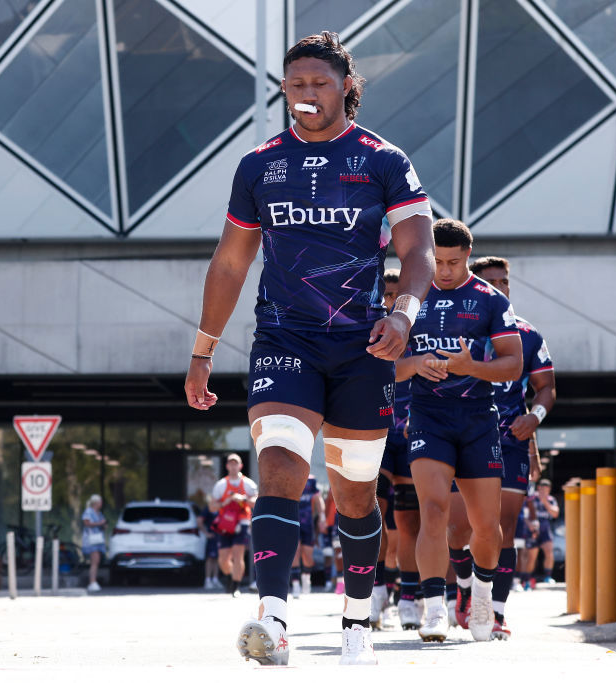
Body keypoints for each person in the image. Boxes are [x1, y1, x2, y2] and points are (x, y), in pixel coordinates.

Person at [184, 30, 435, 666]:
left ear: (347, 88)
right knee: (279, 468)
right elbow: (231, 262)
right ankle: (273, 620)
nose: (305, 95)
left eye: (319, 84)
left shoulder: (384, 160)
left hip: (364, 347)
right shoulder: (258, 164)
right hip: (284, 339)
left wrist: (404, 316)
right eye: (295, 85)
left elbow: (417, 251)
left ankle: (356, 622)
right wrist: (202, 349)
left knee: (354, 494)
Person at [397, 218, 522, 643]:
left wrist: (472, 368)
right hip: (428, 416)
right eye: (438, 262)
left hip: (477, 420)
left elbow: (513, 364)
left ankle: (482, 598)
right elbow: (380, 365)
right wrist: (414, 364)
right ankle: (435, 611)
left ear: (468, 256)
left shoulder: (490, 300)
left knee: (484, 525)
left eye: (453, 262)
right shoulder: (410, 297)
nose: (444, 271)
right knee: (433, 511)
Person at [447, 255, 556, 639]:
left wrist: (535, 418)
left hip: (510, 441)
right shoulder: (456, 326)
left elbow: (546, 389)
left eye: (504, 281)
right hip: (465, 435)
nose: (500, 286)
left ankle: (494, 612)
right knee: (458, 528)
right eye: (491, 280)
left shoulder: (527, 334)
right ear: (478, 284)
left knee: (503, 527)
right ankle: (463, 587)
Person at [371, 268, 423, 631]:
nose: (390, 302)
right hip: (375, 429)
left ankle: (408, 596)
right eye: (386, 295)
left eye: (396, 295)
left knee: (409, 525)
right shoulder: (368, 326)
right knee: (370, 510)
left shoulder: (421, 331)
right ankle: (374, 591)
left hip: (415, 429)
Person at [210, 454, 258, 597]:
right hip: (225, 523)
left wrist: (243, 498)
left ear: (240, 466)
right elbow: (212, 506)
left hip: (242, 522)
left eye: (235, 463)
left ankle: (235, 587)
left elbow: (257, 501)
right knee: (223, 561)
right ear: (227, 466)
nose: (233, 466)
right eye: (230, 463)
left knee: (238, 555)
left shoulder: (248, 484)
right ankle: (231, 575)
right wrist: (223, 503)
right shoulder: (221, 485)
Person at [291, 476, 324, 597]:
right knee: (295, 552)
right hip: (292, 521)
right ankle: (295, 585)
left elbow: (318, 499)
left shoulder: (311, 480)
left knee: (308, 556)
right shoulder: (289, 476)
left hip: (308, 523)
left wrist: (322, 517)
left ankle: (306, 578)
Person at [524, 479, 560, 586]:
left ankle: (548, 576)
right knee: (531, 557)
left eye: (547, 490)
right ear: (538, 488)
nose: (545, 492)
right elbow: (524, 513)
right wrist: (529, 525)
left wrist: (546, 503)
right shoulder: (532, 499)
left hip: (545, 529)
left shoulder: (551, 499)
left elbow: (555, 514)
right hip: (533, 529)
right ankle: (527, 580)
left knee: (549, 551)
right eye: (543, 489)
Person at [81, 494, 107, 593]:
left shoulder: (99, 513)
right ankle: (92, 582)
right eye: (100, 502)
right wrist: (100, 523)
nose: (101, 504)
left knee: (96, 561)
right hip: (91, 540)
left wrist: (103, 525)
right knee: (94, 561)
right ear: (96, 502)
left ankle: (93, 581)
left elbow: (102, 524)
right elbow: (86, 523)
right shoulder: (89, 512)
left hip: (98, 539)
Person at [198, 498, 222, 589]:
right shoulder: (208, 508)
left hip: (220, 536)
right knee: (210, 558)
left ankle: (215, 579)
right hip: (212, 537)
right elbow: (199, 521)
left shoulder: (221, 508)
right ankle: (207, 580)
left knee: (218, 558)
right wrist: (206, 533)